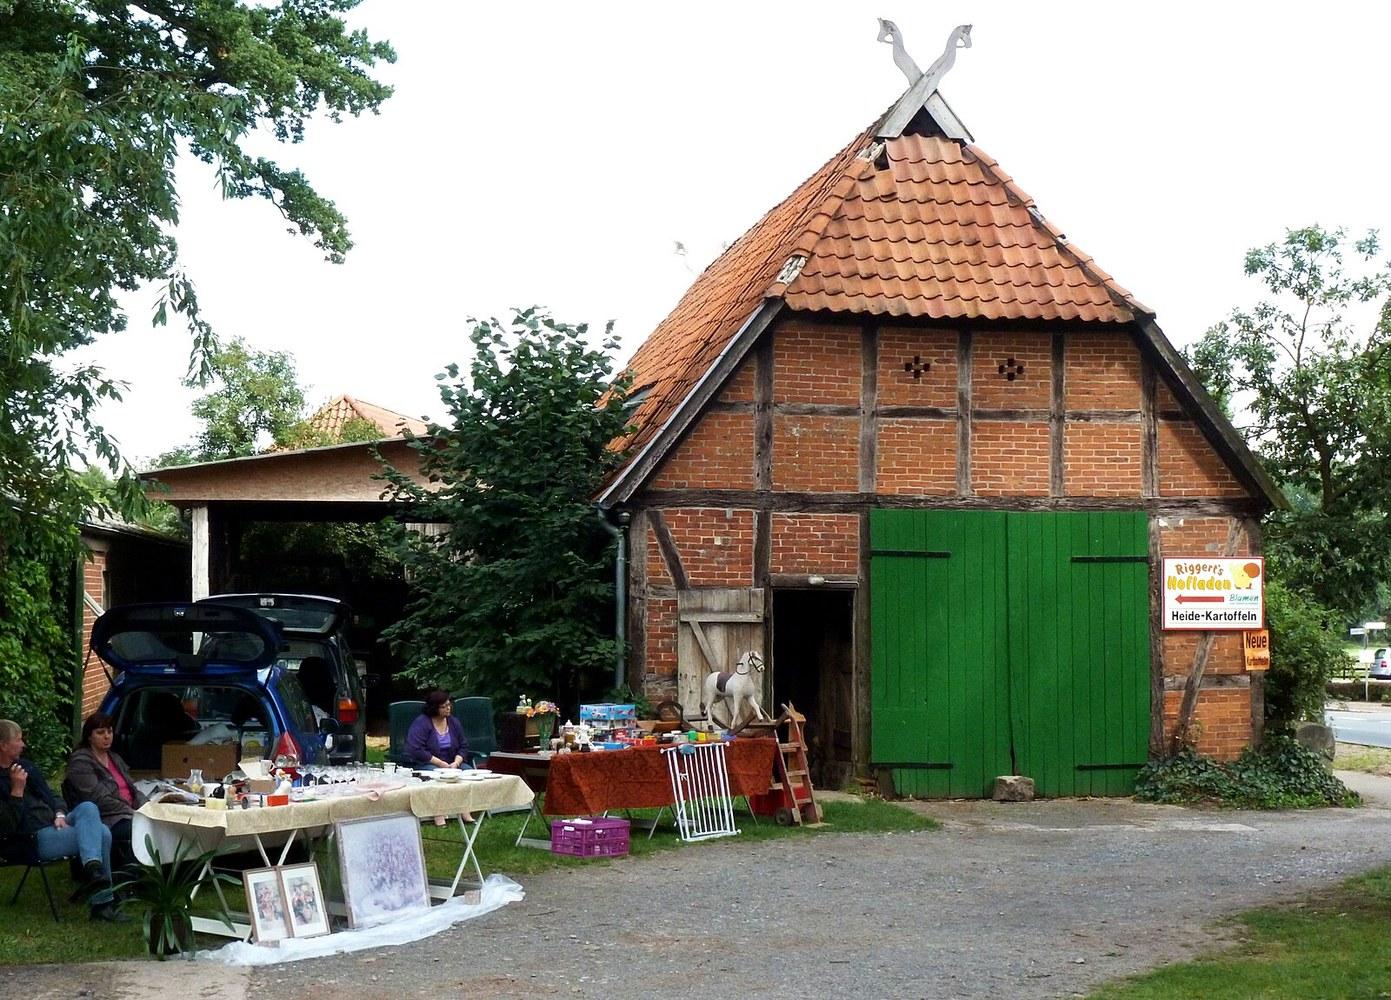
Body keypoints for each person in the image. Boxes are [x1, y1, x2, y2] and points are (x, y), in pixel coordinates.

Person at [0, 719, 125, 922]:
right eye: (18, 740)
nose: (23, 744)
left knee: (88, 807)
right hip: (30, 838)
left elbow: (53, 796)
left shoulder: (25, 766)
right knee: (102, 833)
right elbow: (6, 826)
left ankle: (94, 873)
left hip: (55, 823)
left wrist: (59, 813)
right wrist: (16, 792)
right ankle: (101, 900)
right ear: (3, 745)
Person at [64, 712, 147, 871]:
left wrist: (147, 807)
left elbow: (133, 790)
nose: (107, 736)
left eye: (109, 731)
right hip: (107, 818)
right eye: (100, 732)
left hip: (129, 812)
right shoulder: (80, 762)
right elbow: (98, 799)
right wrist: (132, 812)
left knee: (160, 823)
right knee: (143, 828)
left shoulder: (114, 758)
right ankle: (127, 876)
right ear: (89, 736)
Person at [405, 689, 470, 769]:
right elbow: (416, 749)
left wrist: (456, 763)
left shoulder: (454, 722)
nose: (448, 708)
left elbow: (463, 746)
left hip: (453, 763)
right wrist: (440, 763)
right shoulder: (421, 723)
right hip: (428, 763)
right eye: (444, 707)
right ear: (434, 708)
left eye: (449, 705)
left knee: (468, 771)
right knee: (436, 773)